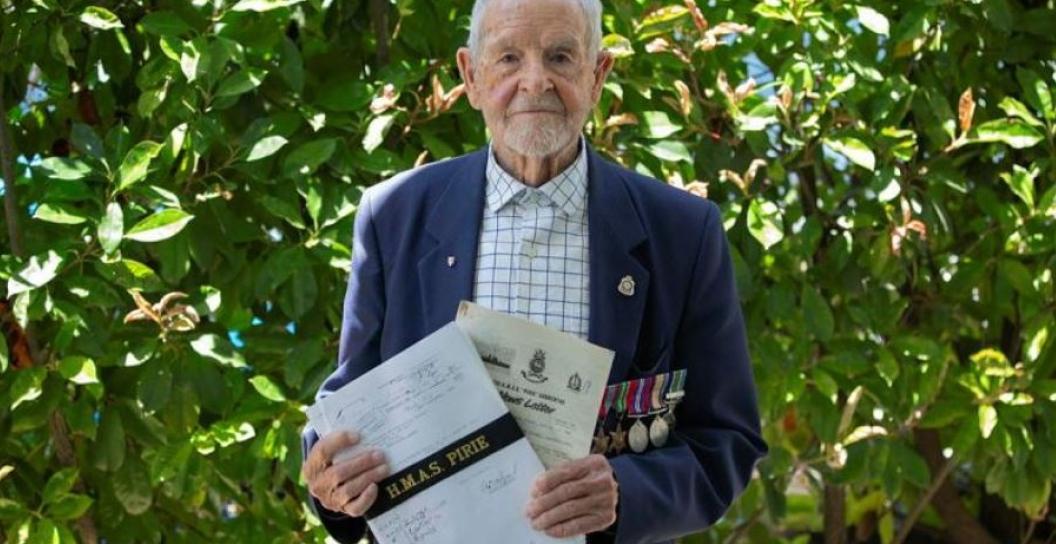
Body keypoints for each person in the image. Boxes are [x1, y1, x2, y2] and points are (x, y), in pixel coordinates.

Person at [300, 0, 769, 542]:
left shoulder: (682, 233)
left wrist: (625, 492)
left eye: (560, 57)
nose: (535, 81)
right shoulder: (394, 216)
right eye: (508, 58)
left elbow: (726, 443)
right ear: (471, 77)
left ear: (597, 75)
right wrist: (331, 476)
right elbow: (350, 409)